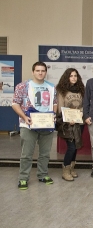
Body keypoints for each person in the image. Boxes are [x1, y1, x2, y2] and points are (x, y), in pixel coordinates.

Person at [12, 62, 57, 190]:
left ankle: (43, 174)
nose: (40, 73)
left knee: (45, 153)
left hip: (46, 124)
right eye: (38, 70)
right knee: (26, 153)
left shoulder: (51, 87)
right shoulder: (23, 86)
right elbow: (15, 104)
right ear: (33, 72)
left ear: (46, 72)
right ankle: (23, 178)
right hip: (28, 125)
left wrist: (53, 114)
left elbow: (54, 103)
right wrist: (24, 117)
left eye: (43, 71)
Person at [55, 68, 85, 181]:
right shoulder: (61, 90)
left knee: (76, 146)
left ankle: (72, 168)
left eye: (75, 76)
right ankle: (65, 170)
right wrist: (69, 119)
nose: (73, 78)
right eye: (71, 76)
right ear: (67, 77)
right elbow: (61, 108)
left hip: (79, 122)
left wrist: (80, 114)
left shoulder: (81, 89)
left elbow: (83, 105)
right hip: (67, 123)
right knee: (71, 147)